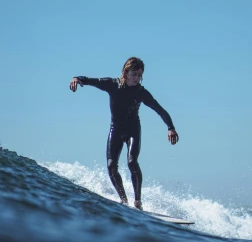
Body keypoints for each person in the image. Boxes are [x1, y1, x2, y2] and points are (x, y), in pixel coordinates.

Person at [69, 57, 179, 210]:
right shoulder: (112, 85)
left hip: (133, 130)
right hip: (116, 129)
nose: (137, 78)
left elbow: (159, 109)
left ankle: (138, 202)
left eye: (140, 75)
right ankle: (124, 200)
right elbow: (90, 80)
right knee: (111, 165)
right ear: (126, 72)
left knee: (132, 162)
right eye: (134, 74)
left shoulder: (141, 92)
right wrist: (77, 79)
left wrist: (170, 128)